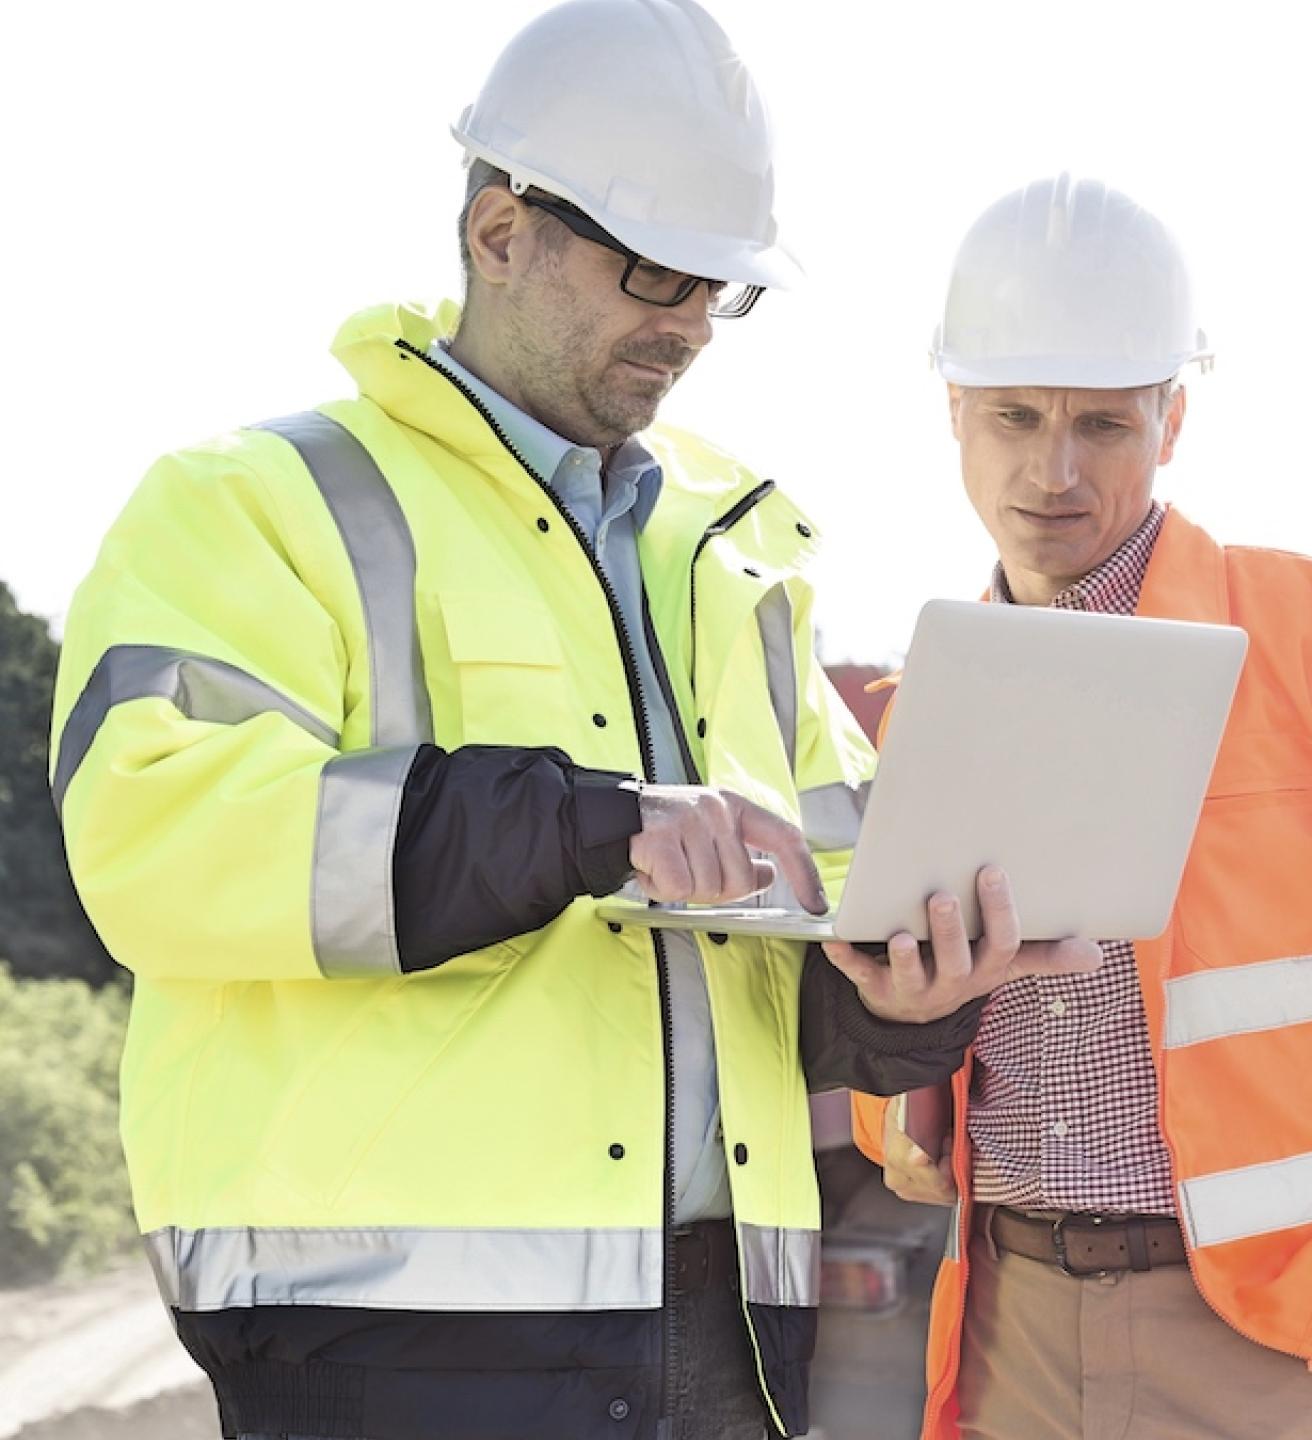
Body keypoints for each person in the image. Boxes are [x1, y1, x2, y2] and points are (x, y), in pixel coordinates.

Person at [48, 6, 1092, 1437]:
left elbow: (808, 949)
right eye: (655, 271)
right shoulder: (254, 506)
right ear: (498, 231)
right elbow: (154, 841)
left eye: (720, 290)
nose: (685, 327)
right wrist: (590, 824)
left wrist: (901, 1004)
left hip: (727, 1339)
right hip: (387, 1345)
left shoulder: (738, 565)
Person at [849, 175, 1312, 1440]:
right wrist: (898, 1049)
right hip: (1010, 1329)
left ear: (1171, 421)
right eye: (1014, 416)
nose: (1053, 470)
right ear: (953, 413)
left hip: (1276, 1344)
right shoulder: (932, 706)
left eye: (1105, 427)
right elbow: (910, 1110)